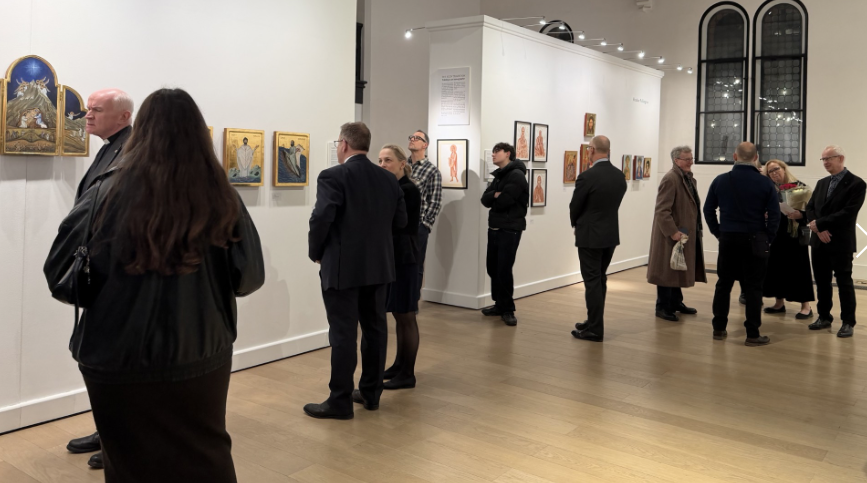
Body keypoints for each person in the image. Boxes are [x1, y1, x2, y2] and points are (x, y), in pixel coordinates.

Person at [44, 88, 265, 482]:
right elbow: (249, 277)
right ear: (198, 133)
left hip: (117, 354)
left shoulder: (105, 191)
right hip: (201, 350)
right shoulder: (222, 196)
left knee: (128, 461)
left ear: (140, 129)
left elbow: (60, 272)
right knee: (206, 454)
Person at [306, 122, 407, 419]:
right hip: (379, 266)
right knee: (375, 330)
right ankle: (371, 394)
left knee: (343, 334)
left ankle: (340, 401)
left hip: (342, 268)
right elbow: (400, 222)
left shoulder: (333, 175)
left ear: (344, 144)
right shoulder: (388, 179)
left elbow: (321, 218)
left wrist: (316, 252)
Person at [65, 87, 134, 470]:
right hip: (100, 269)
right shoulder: (110, 147)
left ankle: (118, 441)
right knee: (97, 358)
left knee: (113, 363)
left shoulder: (131, 152)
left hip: (116, 273)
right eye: (88, 108)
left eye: (97, 109)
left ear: (124, 116)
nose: (88, 115)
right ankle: (107, 430)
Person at [704, 142, 780, 346]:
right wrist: (769, 237)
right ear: (756, 158)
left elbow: (708, 209)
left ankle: (719, 328)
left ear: (734, 157)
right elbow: (775, 214)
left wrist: (718, 232)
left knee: (724, 284)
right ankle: (752, 334)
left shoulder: (720, 180)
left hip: (728, 238)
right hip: (755, 239)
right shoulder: (765, 183)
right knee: (754, 287)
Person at [570, 135, 627, 342]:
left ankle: (595, 329)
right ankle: (593, 321)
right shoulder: (619, 175)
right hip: (610, 234)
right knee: (600, 278)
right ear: (608, 151)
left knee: (592, 281)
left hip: (590, 235)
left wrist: (576, 224)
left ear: (592, 150)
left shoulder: (587, 176)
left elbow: (575, 206)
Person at [806, 146, 866, 337]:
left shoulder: (856, 183)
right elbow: (810, 208)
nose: (825, 163)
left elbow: (848, 212)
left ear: (840, 158)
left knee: (844, 282)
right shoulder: (822, 182)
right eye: (823, 159)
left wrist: (820, 224)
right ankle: (824, 316)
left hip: (840, 241)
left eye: (828, 158)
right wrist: (818, 228)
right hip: (819, 240)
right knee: (822, 282)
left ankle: (848, 321)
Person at [378, 144, 422, 389]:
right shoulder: (394, 187)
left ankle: (407, 373)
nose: (383, 165)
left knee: (406, 314)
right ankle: (398, 365)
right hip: (394, 256)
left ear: (402, 163)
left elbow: (398, 224)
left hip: (404, 257)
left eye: (388, 160)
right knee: (398, 313)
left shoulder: (407, 189)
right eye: (380, 160)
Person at [646, 146, 705, 321]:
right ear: (676, 160)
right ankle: (662, 307)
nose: (690, 162)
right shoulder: (671, 179)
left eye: (691, 159)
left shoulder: (687, 178)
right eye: (687, 159)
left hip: (683, 232)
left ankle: (676, 302)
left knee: (677, 268)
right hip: (672, 234)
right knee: (666, 271)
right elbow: (662, 210)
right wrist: (672, 231)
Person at [480, 142, 529, 326]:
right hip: (495, 226)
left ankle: (508, 309)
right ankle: (499, 304)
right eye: (492, 151)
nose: (493, 154)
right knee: (492, 267)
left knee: (504, 268)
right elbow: (485, 199)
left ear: (508, 153)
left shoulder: (516, 175)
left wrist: (496, 196)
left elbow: (505, 202)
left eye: (497, 151)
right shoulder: (499, 175)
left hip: (510, 228)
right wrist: (495, 194)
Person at [761, 159, 815, 319]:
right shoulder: (769, 189)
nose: (774, 173)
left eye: (776, 169)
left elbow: (812, 209)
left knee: (799, 269)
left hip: (795, 234)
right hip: (776, 234)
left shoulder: (800, 187)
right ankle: (779, 303)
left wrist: (801, 214)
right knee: (777, 268)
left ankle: (806, 306)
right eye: (770, 171)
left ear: (784, 169)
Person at [407, 130, 442, 301]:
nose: (412, 140)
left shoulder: (431, 171)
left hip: (418, 225)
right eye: (411, 137)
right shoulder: (402, 166)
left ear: (425, 145)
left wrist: (425, 225)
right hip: (398, 223)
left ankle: (412, 301)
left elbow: (435, 201)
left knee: (416, 263)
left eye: (417, 138)